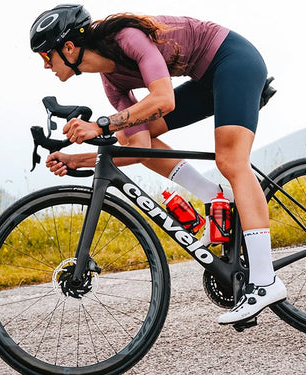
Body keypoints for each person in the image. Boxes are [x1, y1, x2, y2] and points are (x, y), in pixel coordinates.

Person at [28, 4, 281, 325]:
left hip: (233, 61)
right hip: (205, 79)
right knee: (137, 134)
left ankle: (266, 280)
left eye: (45, 55)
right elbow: (141, 148)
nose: (45, 65)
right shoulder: (111, 82)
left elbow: (163, 99)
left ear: (68, 47)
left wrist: (101, 125)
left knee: (231, 161)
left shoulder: (127, 37)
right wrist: (76, 160)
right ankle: (212, 194)